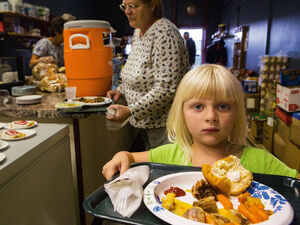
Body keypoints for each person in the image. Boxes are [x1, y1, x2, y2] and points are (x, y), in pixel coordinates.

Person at [103, 64, 300, 180]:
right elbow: (130, 157)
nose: (211, 116)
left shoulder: (262, 161)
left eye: (223, 106)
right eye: (198, 107)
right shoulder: (170, 155)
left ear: (237, 114)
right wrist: (123, 155)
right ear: (182, 114)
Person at [106, 0, 189, 150]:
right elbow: (138, 68)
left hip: (165, 125)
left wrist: (131, 111)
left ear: (152, 6)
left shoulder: (165, 35)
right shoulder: (138, 32)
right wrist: (121, 89)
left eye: (133, 6)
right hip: (147, 122)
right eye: (125, 6)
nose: (127, 11)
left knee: (164, 169)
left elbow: (166, 89)